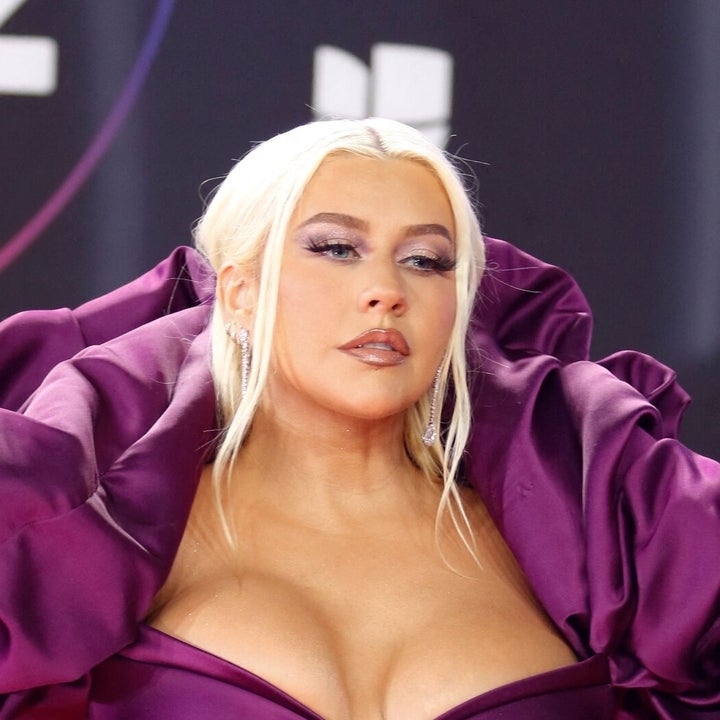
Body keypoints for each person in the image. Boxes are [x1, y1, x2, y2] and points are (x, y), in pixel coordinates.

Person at [0, 117, 717, 719]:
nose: (386, 290)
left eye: (426, 260)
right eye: (337, 249)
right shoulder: (114, 540)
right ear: (241, 293)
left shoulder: (587, 544)